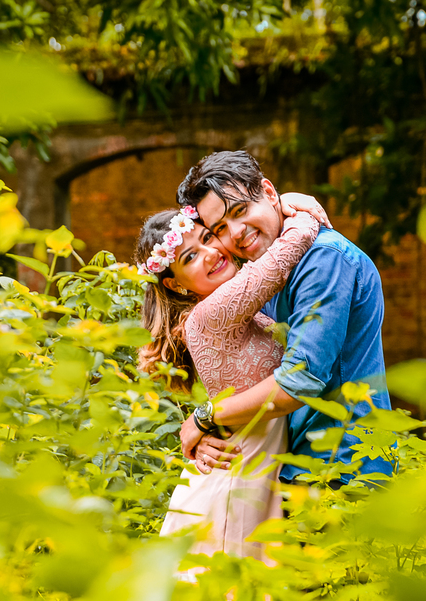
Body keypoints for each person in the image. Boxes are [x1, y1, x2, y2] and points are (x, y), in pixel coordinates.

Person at [175, 150, 394, 488]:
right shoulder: (273, 267)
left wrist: (206, 417)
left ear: (269, 192)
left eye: (240, 210)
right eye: (220, 227)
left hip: (347, 467)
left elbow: (299, 382)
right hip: (302, 468)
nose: (235, 233)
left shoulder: (324, 261)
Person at [135, 199, 323, 576]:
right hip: (233, 483)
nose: (210, 253)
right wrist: (295, 206)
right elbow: (291, 245)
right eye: (190, 257)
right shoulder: (210, 314)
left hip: (251, 476)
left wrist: (200, 423)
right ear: (175, 284)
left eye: (208, 237)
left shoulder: (244, 309)